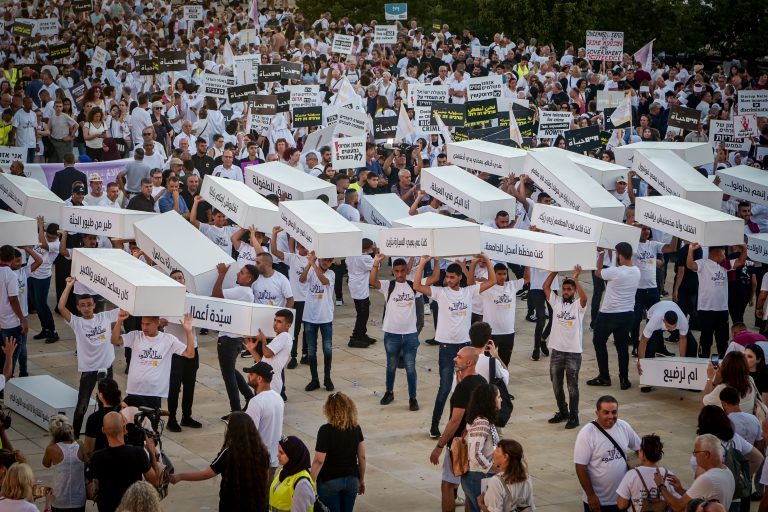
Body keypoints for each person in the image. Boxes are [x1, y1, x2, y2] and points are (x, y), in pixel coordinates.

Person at [414, 254, 494, 439]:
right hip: (446, 348)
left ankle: (465, 423)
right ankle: (434, 425)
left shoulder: (469, 292)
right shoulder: (441, 293)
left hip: (465, 347)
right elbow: (417, 286)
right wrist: (423, 263)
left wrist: (487, 261)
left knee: (467, 388)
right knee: (444, 387)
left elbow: (491, 281)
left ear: (460, 277)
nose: (448, 280)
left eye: (451, 277)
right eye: (446, 277)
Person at [57, 277, 120, 437]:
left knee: (106, 405)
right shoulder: (77, 322)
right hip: (89, 371)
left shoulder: (104, 317)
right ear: (78, 307)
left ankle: (105, 435)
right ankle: (75, 437)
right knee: (82, 405)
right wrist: (69, 286)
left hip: (106, 368)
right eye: (83, 305)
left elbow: (125, 307)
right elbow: (61, 307)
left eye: (89, 305)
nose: (86, 308)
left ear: (94, 306)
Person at [170, 412, 270, 512]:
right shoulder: (262, 451)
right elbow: (266, 478)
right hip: (257, 505)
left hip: (231, 505)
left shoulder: (228, 453)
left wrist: (180, 476)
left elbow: (206, 474)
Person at [429, 347, 487, 512]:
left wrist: (439, 447)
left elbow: (455, 420)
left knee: (448, 485)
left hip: (459, 444)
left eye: (459, 357)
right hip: (477, 442)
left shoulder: (462, 388)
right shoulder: (481, 381)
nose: (455, 358)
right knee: (470, 489)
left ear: (469, 362)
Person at [110, 312, 195, 409]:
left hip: (154, 393)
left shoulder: (168, 339)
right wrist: (119, 321)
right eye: (142, 323)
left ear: (157, 323)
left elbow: (190, 354)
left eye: (148, 324)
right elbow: (114, 340)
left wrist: (189, 332)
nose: (144, 327)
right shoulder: (135, 336)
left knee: (150, 423)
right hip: (134, 390)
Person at [370, 254, 421, 410]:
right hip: (391, 334)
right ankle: (389, 392)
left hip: (411, 334)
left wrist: (430, 260)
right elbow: (372, 281)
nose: (400, 274)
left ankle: (413, 398)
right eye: (397, 271)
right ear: (393, 271)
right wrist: (376, 263)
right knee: (391, 365)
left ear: (407, 270)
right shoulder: (388, 286)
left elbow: (433, 279)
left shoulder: (414, 286)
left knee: (410, 367)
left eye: (402, 271)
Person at [587, 242, 640, 390]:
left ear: (620, 256)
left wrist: (602, 254)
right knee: (622, 347)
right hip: (627, 314)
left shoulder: (615, 271)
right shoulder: (636, 271)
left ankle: (604, 376)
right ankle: (624, 379)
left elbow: (597, 272)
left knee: (598, 342)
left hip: (609, 314)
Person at [574, 395, 641, 512]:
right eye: (606, 412)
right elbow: (580, 467)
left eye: (614, 412)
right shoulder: (587, 433)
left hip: (623, 498)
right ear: (597, 413)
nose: (611, 416)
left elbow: (640, 449)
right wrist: (591, 496)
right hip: (599, 501)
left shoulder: (623, 426)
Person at [210, 262, 257, 416]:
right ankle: (249, 397)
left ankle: (235, 410)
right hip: (235, 338)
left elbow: (216, 294)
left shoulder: (242, 291)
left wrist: (222, 274)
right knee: (230, 369)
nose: (238, 274)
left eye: (242, 273)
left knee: (228, 375)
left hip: (229, 338)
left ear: (249, 278)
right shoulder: (246, 292)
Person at [545, 266, 588, 430]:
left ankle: (574, 416)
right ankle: (563, 411)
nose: (566, 291)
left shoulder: (578, 306)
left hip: (573, 353)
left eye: (569, 289)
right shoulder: (556, 302)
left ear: (574, 291)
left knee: (572, 386)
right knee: (556, 385)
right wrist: (555, 270)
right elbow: (545, 287)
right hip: (556, 351)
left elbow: (585, 299)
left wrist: (576, 278)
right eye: (564, 289)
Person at [89, 412, 158, 512]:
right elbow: (154, 482)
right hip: (133, 507)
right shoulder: (138, 453)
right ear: (124, 429)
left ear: (103, 430)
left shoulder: (96, 457)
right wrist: (152, 453)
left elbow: (96, 486)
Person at [687, 243, 746, 357]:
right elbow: (690, 265)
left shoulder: (725, 264)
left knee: (722, 340)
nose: (725, 255)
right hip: (706, 309)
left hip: (722, 310)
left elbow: (740, 262)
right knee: (705, 340)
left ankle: (722, 362)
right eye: (724, 252)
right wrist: (690, 250)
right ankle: (704, 361)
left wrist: (744, 248)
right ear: (717, 252)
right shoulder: (703, 263)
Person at [310, 392, 366, 512]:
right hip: (352, 479)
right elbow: (362, 457)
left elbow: (319, 460)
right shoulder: (356, 428)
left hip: (330, 480)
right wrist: (361, 479)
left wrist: (310, 481)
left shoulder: (325, 431)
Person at [162, 270, 201, 433]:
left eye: (180, 278)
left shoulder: (193, 299)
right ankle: (172, 418)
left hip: (192, 346)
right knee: (174, 386)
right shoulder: (166, 300)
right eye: (175, 278)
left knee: (190, 384)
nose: (178, 280)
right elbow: (160, 320)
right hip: (175, 349)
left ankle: (187, 416)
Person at [655, 434, 735, 511]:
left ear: (706, 454)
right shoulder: (727, 471)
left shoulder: (707, 479)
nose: (694, 456)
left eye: (696, 452)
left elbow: (677, 506)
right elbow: (696, 499)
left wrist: (661, 485)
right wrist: (680, 490)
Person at [636, 301, 698, 392]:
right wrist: (640, 361)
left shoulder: (682, 320)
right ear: (663, 320)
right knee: (650, 347)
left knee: (692, 344)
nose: (671, 329)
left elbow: (683, 339)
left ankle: (688, 380)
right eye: (669, 327)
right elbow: (643, 341)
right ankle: (647, 381)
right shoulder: (655, 320)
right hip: (655, 317)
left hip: (671, 312)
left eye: (674, 327)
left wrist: (683, 361)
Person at [299, 251, 336, 392]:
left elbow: (324, 281)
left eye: (328, 260)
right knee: (311, 351)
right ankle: (314, 379)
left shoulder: (331, 274)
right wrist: (309, 263)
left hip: (325, 317)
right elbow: (301, 279)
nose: (325, 262)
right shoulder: (311, 269)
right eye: (323, 260)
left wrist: (313, 264)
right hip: (309, 316)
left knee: (327, 349)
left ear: (331, 262)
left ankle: (327, 378)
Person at [461, 383, 501, 512]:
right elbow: (475, 454)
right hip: (478, 477)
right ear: (490, 400)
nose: (501, 399)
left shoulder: (484, 420)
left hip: (479, 476)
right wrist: (492, 467)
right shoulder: (482, 422)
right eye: (498, 397)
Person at [479, 262, 527, 366]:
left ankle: (502, 383)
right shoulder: (487, 287)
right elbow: (470, 283)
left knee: (504, 364)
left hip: (508, 333)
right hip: (490, 333)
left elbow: (527, 279)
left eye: (504, 274)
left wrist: (527, 262)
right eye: (499, 274)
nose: (502, 277)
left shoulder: (512, 285)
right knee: (485, 363)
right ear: (493, 274)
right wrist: (473, 264)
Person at [616, 434, 679, 512]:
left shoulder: (631, 475)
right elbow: (678, 504)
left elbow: (621, 505)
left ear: (642, 453)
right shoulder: (669, 475)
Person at [243, 361, 284, 479]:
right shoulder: (278, 398)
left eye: (251, 374)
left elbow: (249, 433)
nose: (248, 376)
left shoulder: (256, 402)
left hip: (259, 461)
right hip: (274, 459)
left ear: (259, 378)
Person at [243, 309, 294, 397]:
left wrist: (263, 340)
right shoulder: (279, 338)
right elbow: (263, 363)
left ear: (288, 325)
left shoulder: (284, 336)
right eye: (275, 320)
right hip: (266, 381)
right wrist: (252, 350)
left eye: (279, 322)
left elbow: (267, 354)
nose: (275, 324)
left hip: (271, 383)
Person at [41, 414, 86, 512]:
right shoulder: (80, 445)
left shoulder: (51, 449)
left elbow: (46, 464)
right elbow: (87, 462)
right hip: (78, 498)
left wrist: (53, 439)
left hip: (59, 499)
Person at [270, 436, 318, 512]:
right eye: (278, 451)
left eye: (281, 452)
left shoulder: (302, 484)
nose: (277, 455)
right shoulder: (284, 470)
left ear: (293, 455)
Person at [83, 378, 122, 460]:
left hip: (100, 461)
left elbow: (89, 450)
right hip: (122, 457)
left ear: (101, 396)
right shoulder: (122, 414)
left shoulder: (94, 418)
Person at [346, 239, 375, 347]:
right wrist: (374, 253)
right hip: (360, 287)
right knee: (363, 313)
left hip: (354, 285)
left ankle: (362, 333)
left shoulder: (350, 256)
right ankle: (355, 337)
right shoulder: (365, 258)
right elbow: (376, 266)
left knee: (362, 311)